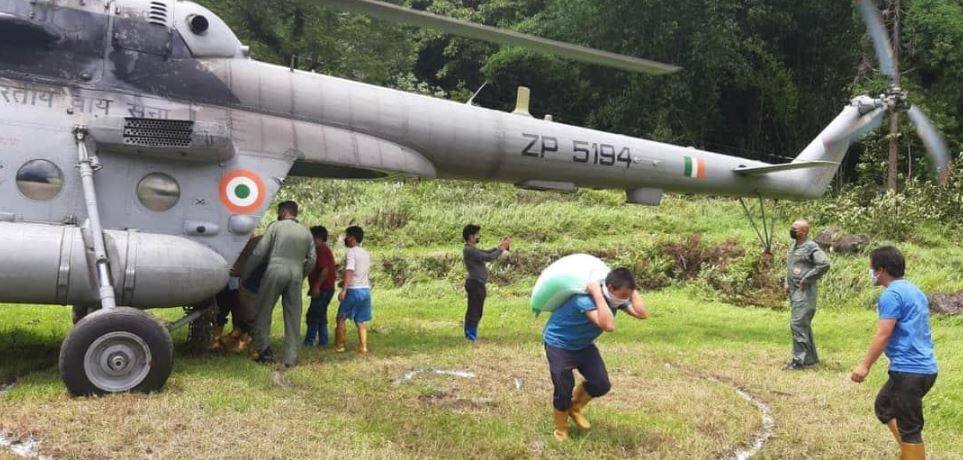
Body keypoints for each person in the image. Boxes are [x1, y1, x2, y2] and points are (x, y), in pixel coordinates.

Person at [851, 246, 938, 460]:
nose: (871, 273)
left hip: (909, 371)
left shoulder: (891, 295)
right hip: (924, 369)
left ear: (881, 270)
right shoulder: (914, 290)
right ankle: (909, 455)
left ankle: (913, 454)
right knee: (885, 406)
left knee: (910, 430)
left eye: (872, 268)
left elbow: (883, 335)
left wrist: (864, 366)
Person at [543, 268, 649, 441]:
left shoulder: (615, 299)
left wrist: (632, 289)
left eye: (627, 295)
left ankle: (574, 408)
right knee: (563, 389)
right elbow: (608, 326)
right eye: (622, 294)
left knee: (601, 384)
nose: (624, 299)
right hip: (559, 344)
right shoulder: (584, 299)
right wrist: (596, 293)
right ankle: (561, 429)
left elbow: (642, 314)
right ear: (610, 288)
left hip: (583, 346)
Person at [243, 201, 316, 367]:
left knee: (263, 310)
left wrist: (245, 273)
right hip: (296, 273)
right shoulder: (306, 232)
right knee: (293, 316)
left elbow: (259, 252)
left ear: (284, 211)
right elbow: (312, 259)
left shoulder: (276, 227)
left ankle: (264, 352)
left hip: (275, 270)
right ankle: (291, 358)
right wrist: (301, 273)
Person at [783, 219, 830, 370]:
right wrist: (786, 281)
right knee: (803, 325)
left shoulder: (811, 247)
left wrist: (807, 278)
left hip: (805, 292)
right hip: (794, 291)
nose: (792, 230)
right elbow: (792, 265)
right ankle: (810, 359)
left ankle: (799, 361)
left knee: (797, 324)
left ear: (803, 232)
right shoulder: (794, 245)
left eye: (795, 228)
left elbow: (824, 264)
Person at [210, 234, 261, 353]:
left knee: (226, 312)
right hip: (234, 283)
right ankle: (224, 341)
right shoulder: (252, 244)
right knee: (232, 313)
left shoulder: (248, 243)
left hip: (232, 282)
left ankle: (225, 341)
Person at [461, 224, 511, 342]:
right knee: (474, 310)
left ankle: (471, 334)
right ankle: (470, 336)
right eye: (476, 235)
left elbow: (487, 252)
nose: (478, 237)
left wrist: (498, 247)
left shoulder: (472, 249)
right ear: (471, 236)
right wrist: (501, 249)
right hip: (475, 284)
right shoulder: (469, 250)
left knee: (477, 310)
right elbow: (488, 257)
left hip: (477, 284)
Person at [335, 226, 372, 354]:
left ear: (353, 238)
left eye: (347, 236)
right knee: (360, 320)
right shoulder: (366, 252)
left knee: (341, 318)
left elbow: (350, 270)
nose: (346, 238)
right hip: (365, 290)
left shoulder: (351, 253)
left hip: (353, 290)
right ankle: (363, 347)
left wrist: (344, 289)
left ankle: (340, 346)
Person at [304, 225, 337, 347]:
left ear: (317, 238)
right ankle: (323, 341)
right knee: (320, 315)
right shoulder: (322, 249)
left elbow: (325, 270)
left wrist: (316, 286)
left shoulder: (321, 249)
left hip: (323, 289)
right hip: (325, 288)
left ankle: (309, 341)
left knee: (313, 315)